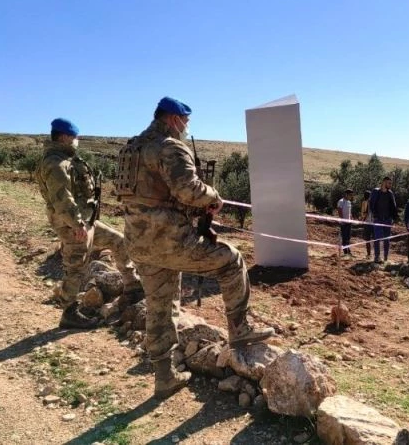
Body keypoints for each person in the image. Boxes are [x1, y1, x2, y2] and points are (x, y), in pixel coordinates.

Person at [116, 97, 274, 399]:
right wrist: (213, 197)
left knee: (159, 304)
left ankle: (164, 376)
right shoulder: (170, 147)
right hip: (171, 240)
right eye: (185, 121)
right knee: (231, 261)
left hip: (138, 242)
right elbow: (189, 190)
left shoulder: (131, 148)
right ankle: (240, 330)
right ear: (173, 119)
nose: (186, 127)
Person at [36, 118, 143, 328]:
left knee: (118, 241)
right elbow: (62, 199)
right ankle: (69, 312)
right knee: (76, 266)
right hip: (73, 225)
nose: (76, 140)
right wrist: (76, 225)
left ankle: (132, 284)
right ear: (64, 137)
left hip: (85, 221)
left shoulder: (65, 159)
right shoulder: (55, 163)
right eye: (74, 137)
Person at [369, 176, 398, 263]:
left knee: (387, 239)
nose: (390, 185)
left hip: (387, 220)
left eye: (391, 183)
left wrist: (393, 218)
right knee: (377, 238)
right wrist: (373, 215)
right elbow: (371, 203)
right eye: (389, 183)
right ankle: (377, 257)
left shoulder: (390, 193)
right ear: (384, 182)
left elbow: (394, 206)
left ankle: (385, 258)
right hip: (378, 219)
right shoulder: (375, 191)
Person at [336, 189, 355, 255]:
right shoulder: (341, 201)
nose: (351, 196)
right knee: (344, 237)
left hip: (349, 222)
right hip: (343, 223)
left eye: (352, 195)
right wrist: (342, 220)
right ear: (346, 194)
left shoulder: (349, 202)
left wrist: (351, 218)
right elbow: (339, 210)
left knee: (348, 237)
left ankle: (348, 250)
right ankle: (345, 252)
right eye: (350, 195)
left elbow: (349, 212)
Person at [360, 190, 373, 258]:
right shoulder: (372, 203)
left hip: (368, 223)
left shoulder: (365, 202)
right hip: (372, 222)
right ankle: (370, 254)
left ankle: (369, 254)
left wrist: (363, 219)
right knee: (372, 239)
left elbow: (363, 213)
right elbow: (364, 212)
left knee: (368, 239)